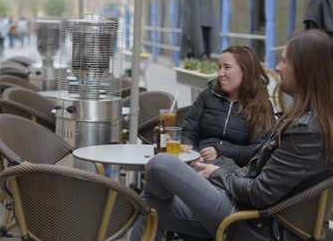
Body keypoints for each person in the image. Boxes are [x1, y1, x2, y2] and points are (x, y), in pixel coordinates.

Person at [130, 30, 333, 241]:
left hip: (254, 224)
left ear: (306, 69)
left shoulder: (306, 129)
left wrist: (218, 174)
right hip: (248, 209)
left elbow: (259, 192)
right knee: (149, 205)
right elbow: (260, 174)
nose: (277, 68)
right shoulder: (312, 122)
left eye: (284, 61)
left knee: (161, 163)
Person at [181, 46, 275, 167]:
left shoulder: (261, 105)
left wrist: (221, 151)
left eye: (227, 67)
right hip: (198, 162)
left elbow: (258, 151)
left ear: (245, 71)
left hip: (233, 170)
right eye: (219, 67)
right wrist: (193, 155)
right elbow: (188, 131)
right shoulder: (207, 96)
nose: (220, 73)